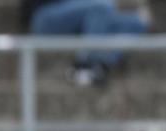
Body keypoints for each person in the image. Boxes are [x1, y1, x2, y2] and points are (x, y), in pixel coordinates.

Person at [22, 0, 151, 86]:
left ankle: (103, 62)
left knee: (137, 23)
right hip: (44, 16)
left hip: (84, 17)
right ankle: (85, 65)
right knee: (101, 5)